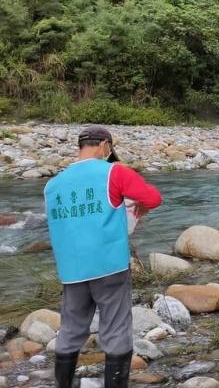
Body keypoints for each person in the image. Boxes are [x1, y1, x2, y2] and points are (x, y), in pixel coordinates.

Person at [45, 126, 162, 388]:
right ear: (105, 146)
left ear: (80, 146)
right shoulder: (114, 171)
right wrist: (135, 207)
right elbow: (153, 198)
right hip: (109, 267)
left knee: (71, 330)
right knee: (116, 329)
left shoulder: (52, 185)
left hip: (71, 270)